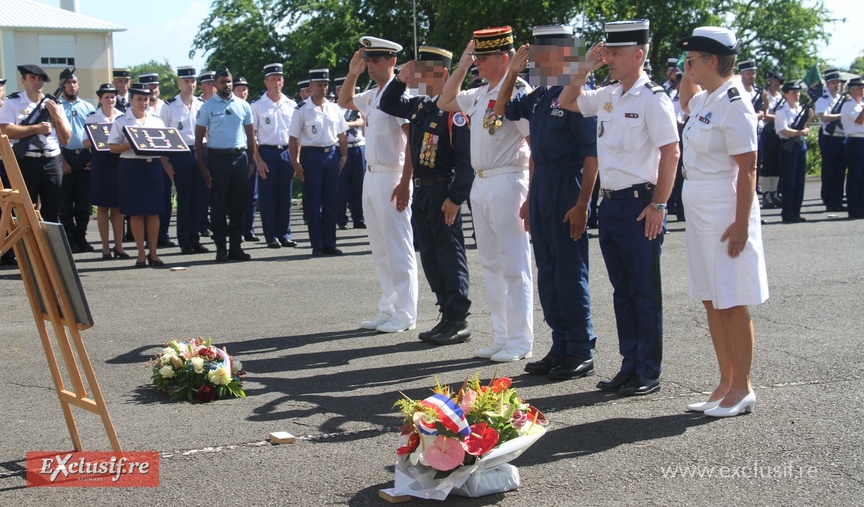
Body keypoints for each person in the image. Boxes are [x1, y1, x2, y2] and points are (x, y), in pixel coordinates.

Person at [558, 20, 680, 395]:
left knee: (644, 290)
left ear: (639, 55)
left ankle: (648, 370)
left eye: (616, 53)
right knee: (622, 291)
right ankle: (629, 365)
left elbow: (671, 152)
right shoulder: (609, 93)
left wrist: (660, 204)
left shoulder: (653, 97)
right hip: (610, 205)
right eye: (606, 52)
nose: (608, 58)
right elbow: (567, 100)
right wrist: (584, 67)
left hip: (640, 204)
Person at [493, 25, 599, 374]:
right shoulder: (539, 95)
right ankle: (560, 345)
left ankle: (580, 348)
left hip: (568, 184)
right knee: (549, 272)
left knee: (569, 270)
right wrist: (512, 70)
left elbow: (590, 155)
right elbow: (501, 108)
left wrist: (583, 203)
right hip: (542, 186)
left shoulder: (579, 90)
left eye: (541, 53)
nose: (535, 59)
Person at [676, 26, 769, 417]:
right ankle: (725, 381)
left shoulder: (734, 102)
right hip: (700, 206)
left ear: (713, 61)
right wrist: (686, 68)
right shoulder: (707, 99)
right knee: (712, 299)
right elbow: (685, 101)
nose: (687, 66)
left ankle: (742, 387)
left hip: (723, 206)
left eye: (693, 60)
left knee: (731, 299)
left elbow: (748, 167)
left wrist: (742, 222)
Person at [438, 26, 535, 360]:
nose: (476, 61)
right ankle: (501, 334)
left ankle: (520, 339)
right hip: (482, 183)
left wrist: (530, 195)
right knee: (491, 264)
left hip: (510, 179)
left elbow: (533, 143)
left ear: (503, 59)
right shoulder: (480, 92)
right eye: (475, 55)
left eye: (482, 56)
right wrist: (461, 66)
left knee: (514, 264)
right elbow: (445, 100)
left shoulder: (519, 91)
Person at [379, 45, 475, 346]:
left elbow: (464, 159)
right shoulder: (421, 105)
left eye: (423, 72)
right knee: (431, 257)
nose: (418, 77)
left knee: (449, 253)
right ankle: (445, 314)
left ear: (443, 74)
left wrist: (456, 197)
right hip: (422, 191)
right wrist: (400, 78)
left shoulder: (453, 110)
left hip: (443, 191)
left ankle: (458, 319)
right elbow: (388, 103)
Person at [339, 36, 419, 334]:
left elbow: (413, 141)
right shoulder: (373, 95)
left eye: (376, 60)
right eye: (368, 60)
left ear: (392, 62)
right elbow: (345, 101)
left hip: (392, 174)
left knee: (398, 245)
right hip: (371, 175)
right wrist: (352, 73)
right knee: (380, 246)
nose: (371, 65)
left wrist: (406, 181)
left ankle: (406, 312)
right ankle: (389, 306)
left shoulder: (401, 96)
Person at [194, 67, 259, 262]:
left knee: (239, 204)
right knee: (219, 205)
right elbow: (198, 140)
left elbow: (250, 136)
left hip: (239, 158)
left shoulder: (243, 105)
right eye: (223, 82)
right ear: (215, 84)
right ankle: (221, 247)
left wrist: (252, 161)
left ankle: (236, 247)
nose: (227, 85)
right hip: (217, 158)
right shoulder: (207, 107)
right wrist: (203, 167)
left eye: (229, 81)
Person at [0, 64, 72, 224]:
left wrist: (56, 116)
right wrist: (36, 128)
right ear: (23, 80)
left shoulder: (54, 105)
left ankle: (49, 248)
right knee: (27, 211)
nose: (37, 83)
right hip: (27, 160)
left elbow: (65, 138)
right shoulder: (13, 102)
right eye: (32, 78)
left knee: (53, 211)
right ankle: (30, 248)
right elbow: (5, 130)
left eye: (40, 79)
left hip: (51, 161)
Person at [107, 82, 167, 267]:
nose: (143, 102)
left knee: (153, 212)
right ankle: (140, 253)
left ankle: (154, 253)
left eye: (146, 99)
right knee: (135, 213)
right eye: (139, 99)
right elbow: (112, 147)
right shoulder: (121, 121)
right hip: (131, 167)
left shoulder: (156, 121)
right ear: (131, 99)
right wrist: (131, 144)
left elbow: (166, 143)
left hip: (152, 167)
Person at [289, 68, 348, 256]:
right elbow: (292, 138)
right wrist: (295, 162)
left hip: (331, 154)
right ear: (311, 86)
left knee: (331, 201)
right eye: (318, 85)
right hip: (311, 156)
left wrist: (344, 154)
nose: (322, 88)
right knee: (314, 202)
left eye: (325, 85)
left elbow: (342, 133)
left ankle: (330, 243)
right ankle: (317, 244)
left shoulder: (334, 108)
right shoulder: (301, 109)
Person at [159, 66, 209, 254]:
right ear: (179, 83)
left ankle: (195, 238)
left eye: (193, 81)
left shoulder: (202, 104)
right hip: (180, 153)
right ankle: (184, 240)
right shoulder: (169, 106)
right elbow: (163, 135)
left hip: (201, 152)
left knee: (199, 198)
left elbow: (209, 132)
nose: (190, 85)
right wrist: (165, 161)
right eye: (186, 81)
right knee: (185, 198)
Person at [252, 63, 299, 249]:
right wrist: (259, 160)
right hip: (267, 152)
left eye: (279, 79)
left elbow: (297, 135)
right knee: (269, 197)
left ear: (283, 81)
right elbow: (252, 137)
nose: (276, 82)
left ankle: (285, 234)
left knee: (285, 197)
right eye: (272, 79)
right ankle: (271, 235)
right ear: (265, 82)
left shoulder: (291, 105)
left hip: (287, 151)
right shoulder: (257, 105)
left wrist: (296, 158)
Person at [85, 83, 128, 259]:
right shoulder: (92, 118)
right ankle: (105, 248)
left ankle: (119, 246)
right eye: (106, 97)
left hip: (119, 161)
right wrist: (98, 139)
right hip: (101, 162)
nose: (110, 100)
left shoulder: (123, 117)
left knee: (118, 207)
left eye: (112, 96)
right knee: (102, 207)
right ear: (100, 99)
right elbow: (85, 142)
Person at [58, 68, 96, 253]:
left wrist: (93, 158)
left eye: (74, 82)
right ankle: (70, 238)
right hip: (65, 155)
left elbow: (96, 135)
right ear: (61, 85)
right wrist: (62, 160)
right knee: (65, 203)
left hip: (85, 156)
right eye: (67, 82)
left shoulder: (88, 107)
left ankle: (81, 236)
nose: (71, 86)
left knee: (83, 202)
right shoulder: (56, 107)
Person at [774, 81, 814, 223]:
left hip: (800, 145)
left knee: (799, 181)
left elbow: (806, 127)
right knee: (789, 181)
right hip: (788, 146)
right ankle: (788, 212)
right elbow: (783, 130)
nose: (797, 95)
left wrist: (808, 121)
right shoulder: (781, 111)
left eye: (798, 92)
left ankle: (796, 211)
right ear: (785, 95)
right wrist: (800, 132)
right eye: (793, 92)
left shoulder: (801, 108)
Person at [334, 76, 366, 230]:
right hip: (341, 149)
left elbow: (361, 122)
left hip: (358, 147)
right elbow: (335, 127)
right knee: (341, 186)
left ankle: (359, 218)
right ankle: (341, 219)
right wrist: (346, 125)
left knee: (359, 185)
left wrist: (345, 124)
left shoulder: (357, 107)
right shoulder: (334, 108)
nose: (342, 91)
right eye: (339, 89)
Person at [815, 71, 848, 212]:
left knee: (840, 170)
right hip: (829, 137)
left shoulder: (843, 98)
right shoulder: (823, 99)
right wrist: (841, 115)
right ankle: (829, 199)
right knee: (830, 169)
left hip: (842, 136)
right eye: (834, 83)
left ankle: (838, 199)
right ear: (827, 84)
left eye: (838, 82)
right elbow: (824, 118)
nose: (837, 85)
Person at [233, 76, 261, 243]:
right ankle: (237, 229)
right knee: (237, 196)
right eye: (238, 89)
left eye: (244, 89)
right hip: (236, 154)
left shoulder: (251, 108)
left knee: (252, 195)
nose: (242, 92)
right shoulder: (231, 108)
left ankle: (249, 229)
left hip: (251, 153)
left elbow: (255, 135)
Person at [759, 70, 785, 208]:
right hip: (768, 131)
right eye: (775, 81)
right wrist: (781, 119)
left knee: (776, 164)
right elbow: (765, 115)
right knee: (767, 164)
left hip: (778, 132)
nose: (777, 84)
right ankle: (766, 193)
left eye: (779, 81)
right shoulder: (765, 95)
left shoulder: (780, 97)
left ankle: (774, 192)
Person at [840, 77, 864, 219]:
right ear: (852, 90)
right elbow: (859, 120)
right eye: (859, 87)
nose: (862, 89)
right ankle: (854, 208)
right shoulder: (848, 105)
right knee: (855, 176)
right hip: (855, 141)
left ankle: (861, 205)